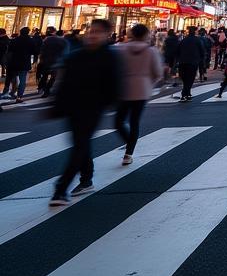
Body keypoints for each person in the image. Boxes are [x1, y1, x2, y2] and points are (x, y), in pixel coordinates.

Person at [49, 19, 120, 206]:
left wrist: (108, 103)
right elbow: (63, 83)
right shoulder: (75, 55)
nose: (92, 34)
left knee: (79, 146)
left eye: (98, 32)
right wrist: (56, 106)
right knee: (81, 144)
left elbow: (114, 85)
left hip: (93, 108)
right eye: (91, 31)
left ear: (107, 35)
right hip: (72, 108)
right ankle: (86, 179)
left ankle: (61, 188)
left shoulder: (110, 57)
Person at [113, 23, 163, 164]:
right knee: (134, 121)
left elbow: (115, 69)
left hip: (124, 89)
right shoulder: (151, 51)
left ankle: (128, 141)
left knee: (118, 121)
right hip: (142, 91)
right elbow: (157, 73)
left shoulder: (121, 48)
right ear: (146, 35)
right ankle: (129, 153)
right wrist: (148, 83)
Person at [5, 26, 34, 102]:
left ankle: (12, 91)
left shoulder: (15, 40)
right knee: (22, 80)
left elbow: (9, 51)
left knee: (13, 78)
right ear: (28, 32)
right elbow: (34, 51)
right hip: (25, 63)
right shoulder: (30, 41)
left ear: (20, 32)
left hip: (14, 62)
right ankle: (19, 96)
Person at [36, 29, 67, 98]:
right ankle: (47, 90)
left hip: (46, 61)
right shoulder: (63, 41)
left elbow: (42, 50)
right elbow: (64, 53)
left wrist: (41, 59)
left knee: (45, 75)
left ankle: (41, 88)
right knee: (53, 77)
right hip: (56, 62)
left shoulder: (48, 39)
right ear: (62, 34)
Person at [176, 27, 203, 100]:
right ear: (195, 32)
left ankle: (186, 92)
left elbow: (178, 50)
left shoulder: (183, 40)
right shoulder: (197, 40)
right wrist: (201, 59)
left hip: (183, 61)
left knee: (184, 77)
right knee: (190, 77)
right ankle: (186, 92)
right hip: (193, 61)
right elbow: (202, 50)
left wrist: (178, 59)